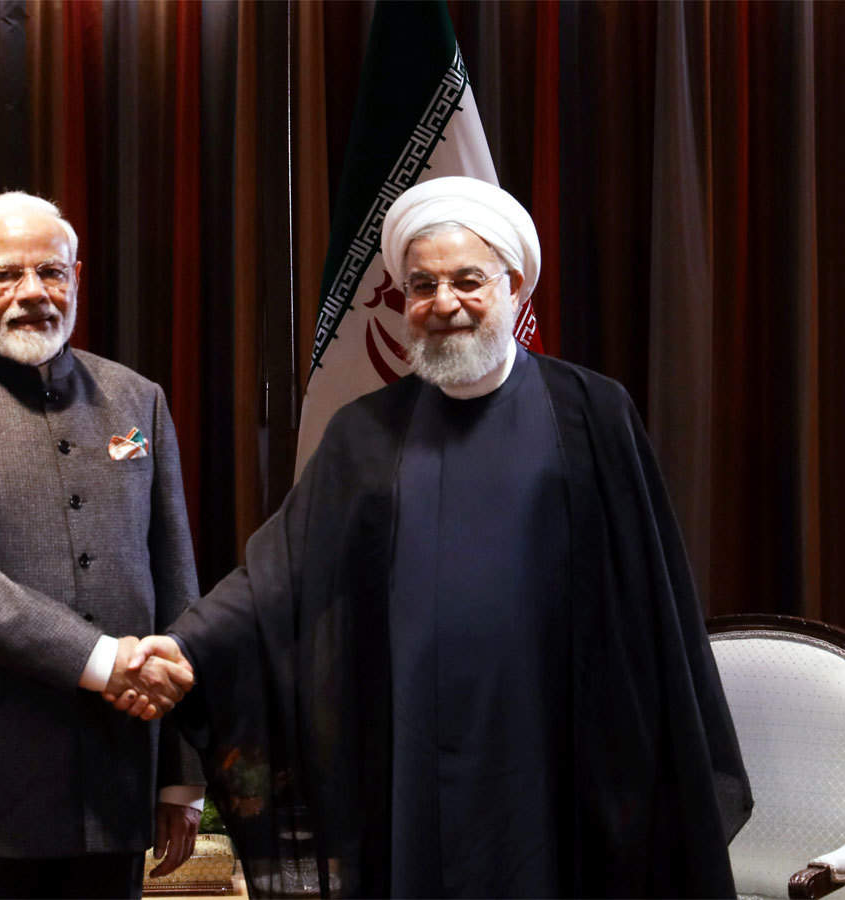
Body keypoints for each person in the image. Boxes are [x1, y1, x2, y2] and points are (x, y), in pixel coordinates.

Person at [122, 176, 753, 897]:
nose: (443, 303)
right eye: (421, 286)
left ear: (514, 287)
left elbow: (652, 591)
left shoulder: (591, 411)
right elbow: (279, 573)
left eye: (467, 281)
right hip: (411, 740)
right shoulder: (366, 431)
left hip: (560, 737)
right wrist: (183, 646)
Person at [0, 191, 204, 899]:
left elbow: (175, 580)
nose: (32, 293)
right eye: (4, 275)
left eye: (50, 272)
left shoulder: (137, 399)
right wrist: (103, 659)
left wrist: (181, 773)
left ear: (75, 279)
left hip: (113, 778)